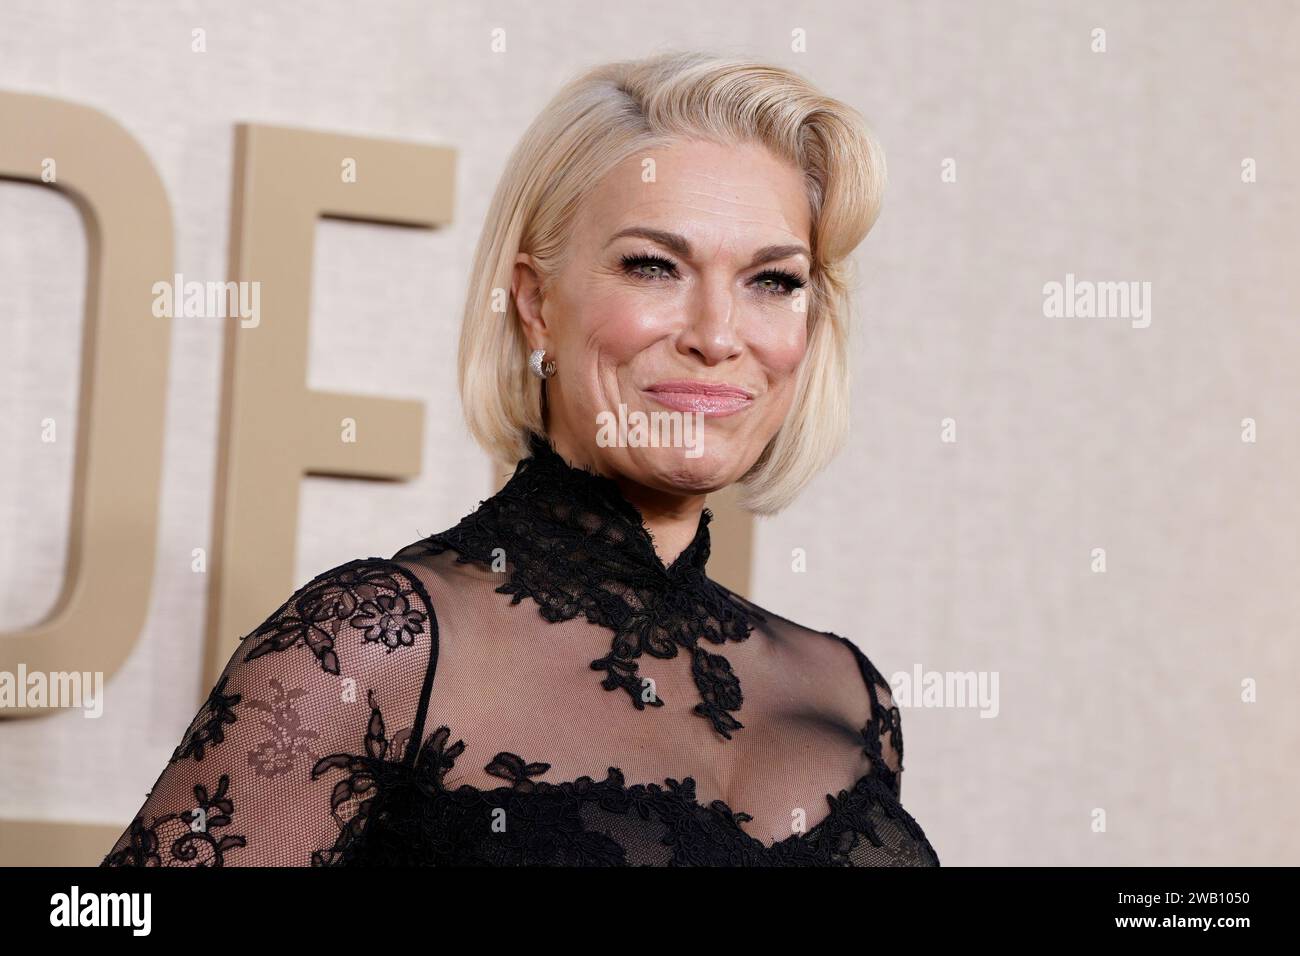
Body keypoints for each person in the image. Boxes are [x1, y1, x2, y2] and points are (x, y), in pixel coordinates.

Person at [101, 50, 939, 867]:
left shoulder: (846, 695)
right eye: (654, 266)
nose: (717, 335)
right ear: (536, 304)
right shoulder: (371, 651)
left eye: (773, 281)